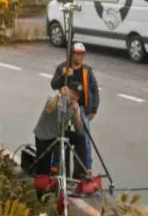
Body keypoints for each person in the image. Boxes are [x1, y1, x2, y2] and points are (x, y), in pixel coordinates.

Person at [50, 42, 99, 174]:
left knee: (85, 137)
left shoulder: (87, 70)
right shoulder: (62, 68)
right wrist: (64, 77)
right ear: (72, 54)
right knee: (60, 135)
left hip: (82, 108)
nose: (80, 57)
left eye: (82, 54)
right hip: (65, 106)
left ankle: (86, 167)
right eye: (78, 54)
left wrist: (94, 108)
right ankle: (55, 164)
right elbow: (53, 84)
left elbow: (94, 89)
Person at [32, 79, 88, 182]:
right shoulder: (55, 98)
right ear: (67, 90)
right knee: (43, 172)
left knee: (81, 137)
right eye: (73, 93)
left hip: (58, 134)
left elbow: (79, 129)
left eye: (77, 95)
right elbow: (49, 109)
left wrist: (76, 114)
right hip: (45, 135)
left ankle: (80, 173)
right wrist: (59, 96)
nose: (74, 96)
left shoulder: (74, 106)